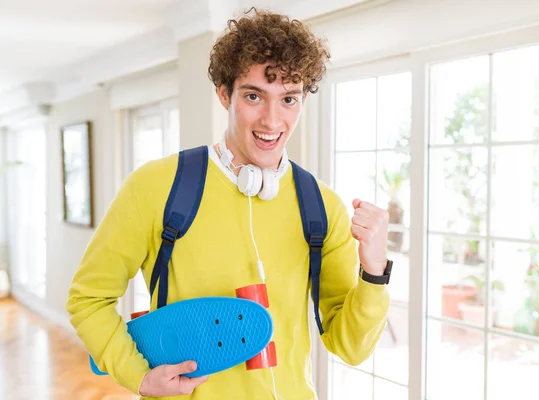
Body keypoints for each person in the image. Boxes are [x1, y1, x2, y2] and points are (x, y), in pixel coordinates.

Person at [66, 7, 392, 400]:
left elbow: (351, 346)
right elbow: (88, 299)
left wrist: (374, 270)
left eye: (288, 99)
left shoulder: (322, 206)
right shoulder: (156, 186)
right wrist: (138, 376)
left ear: (303, 100)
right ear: (224, 93)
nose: (272, 120)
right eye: (254, 96)